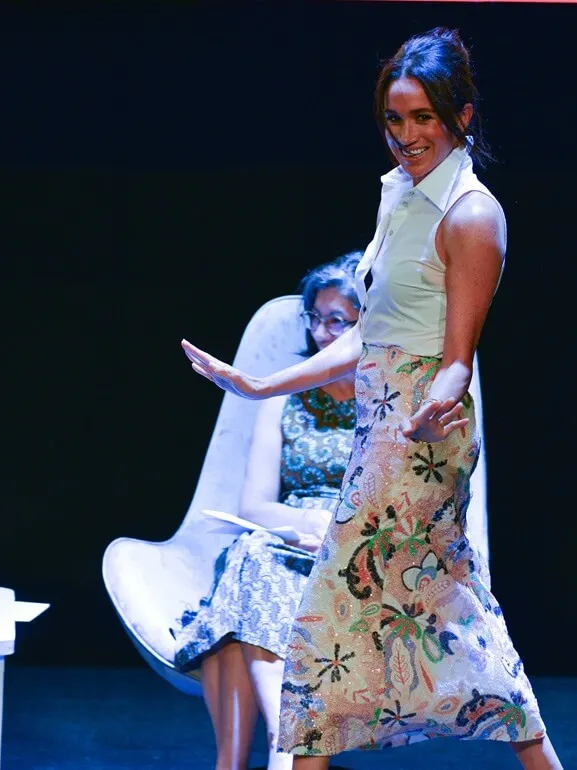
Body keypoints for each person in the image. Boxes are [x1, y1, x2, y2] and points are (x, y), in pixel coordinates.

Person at [181, 28, 564, 770]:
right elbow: (372, 338)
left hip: (421, 444)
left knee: (326, 624)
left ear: (463, 117)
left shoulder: (471, 215)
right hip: (381, 431)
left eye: (424, 118)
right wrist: (260, 383)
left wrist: (436, 405)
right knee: (448, 612)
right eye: (396, 119)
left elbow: (457, 358)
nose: (407, 136)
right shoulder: (400, 198)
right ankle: (536, 754)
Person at [172, 253, 363, 770]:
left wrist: (337, 532)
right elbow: (253, 504)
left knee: (239, 595)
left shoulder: (383, 398)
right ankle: (288, 749)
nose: (323, 332)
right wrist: (301, 526)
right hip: (288, 539)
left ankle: (276, 752)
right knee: (252, 557)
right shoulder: (288, 393)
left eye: (337, 320)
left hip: (357, 548)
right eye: (316, 318)